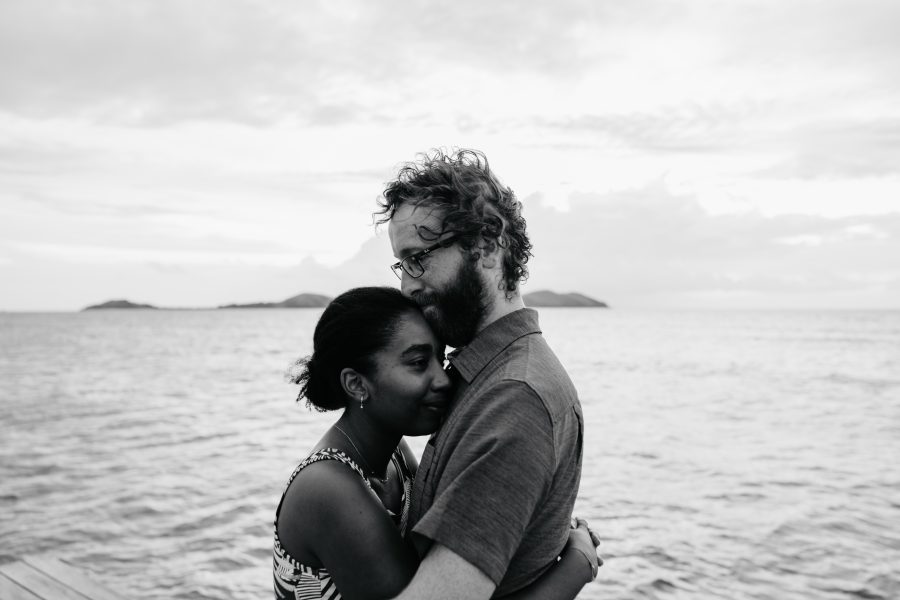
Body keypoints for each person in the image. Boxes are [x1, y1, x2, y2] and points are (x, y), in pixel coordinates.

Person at [273, 287, 599, 600]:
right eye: (418, 363)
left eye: (440, 359)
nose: (443, 379)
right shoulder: (327, 488)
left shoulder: (394, 455)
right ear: (356, 383)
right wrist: (577, 566)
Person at [376, 149, 586, 599]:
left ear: (487, 247)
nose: (407, 285)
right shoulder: (483, 375)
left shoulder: (515, 397)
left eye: (420, 258)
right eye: (401, 264)